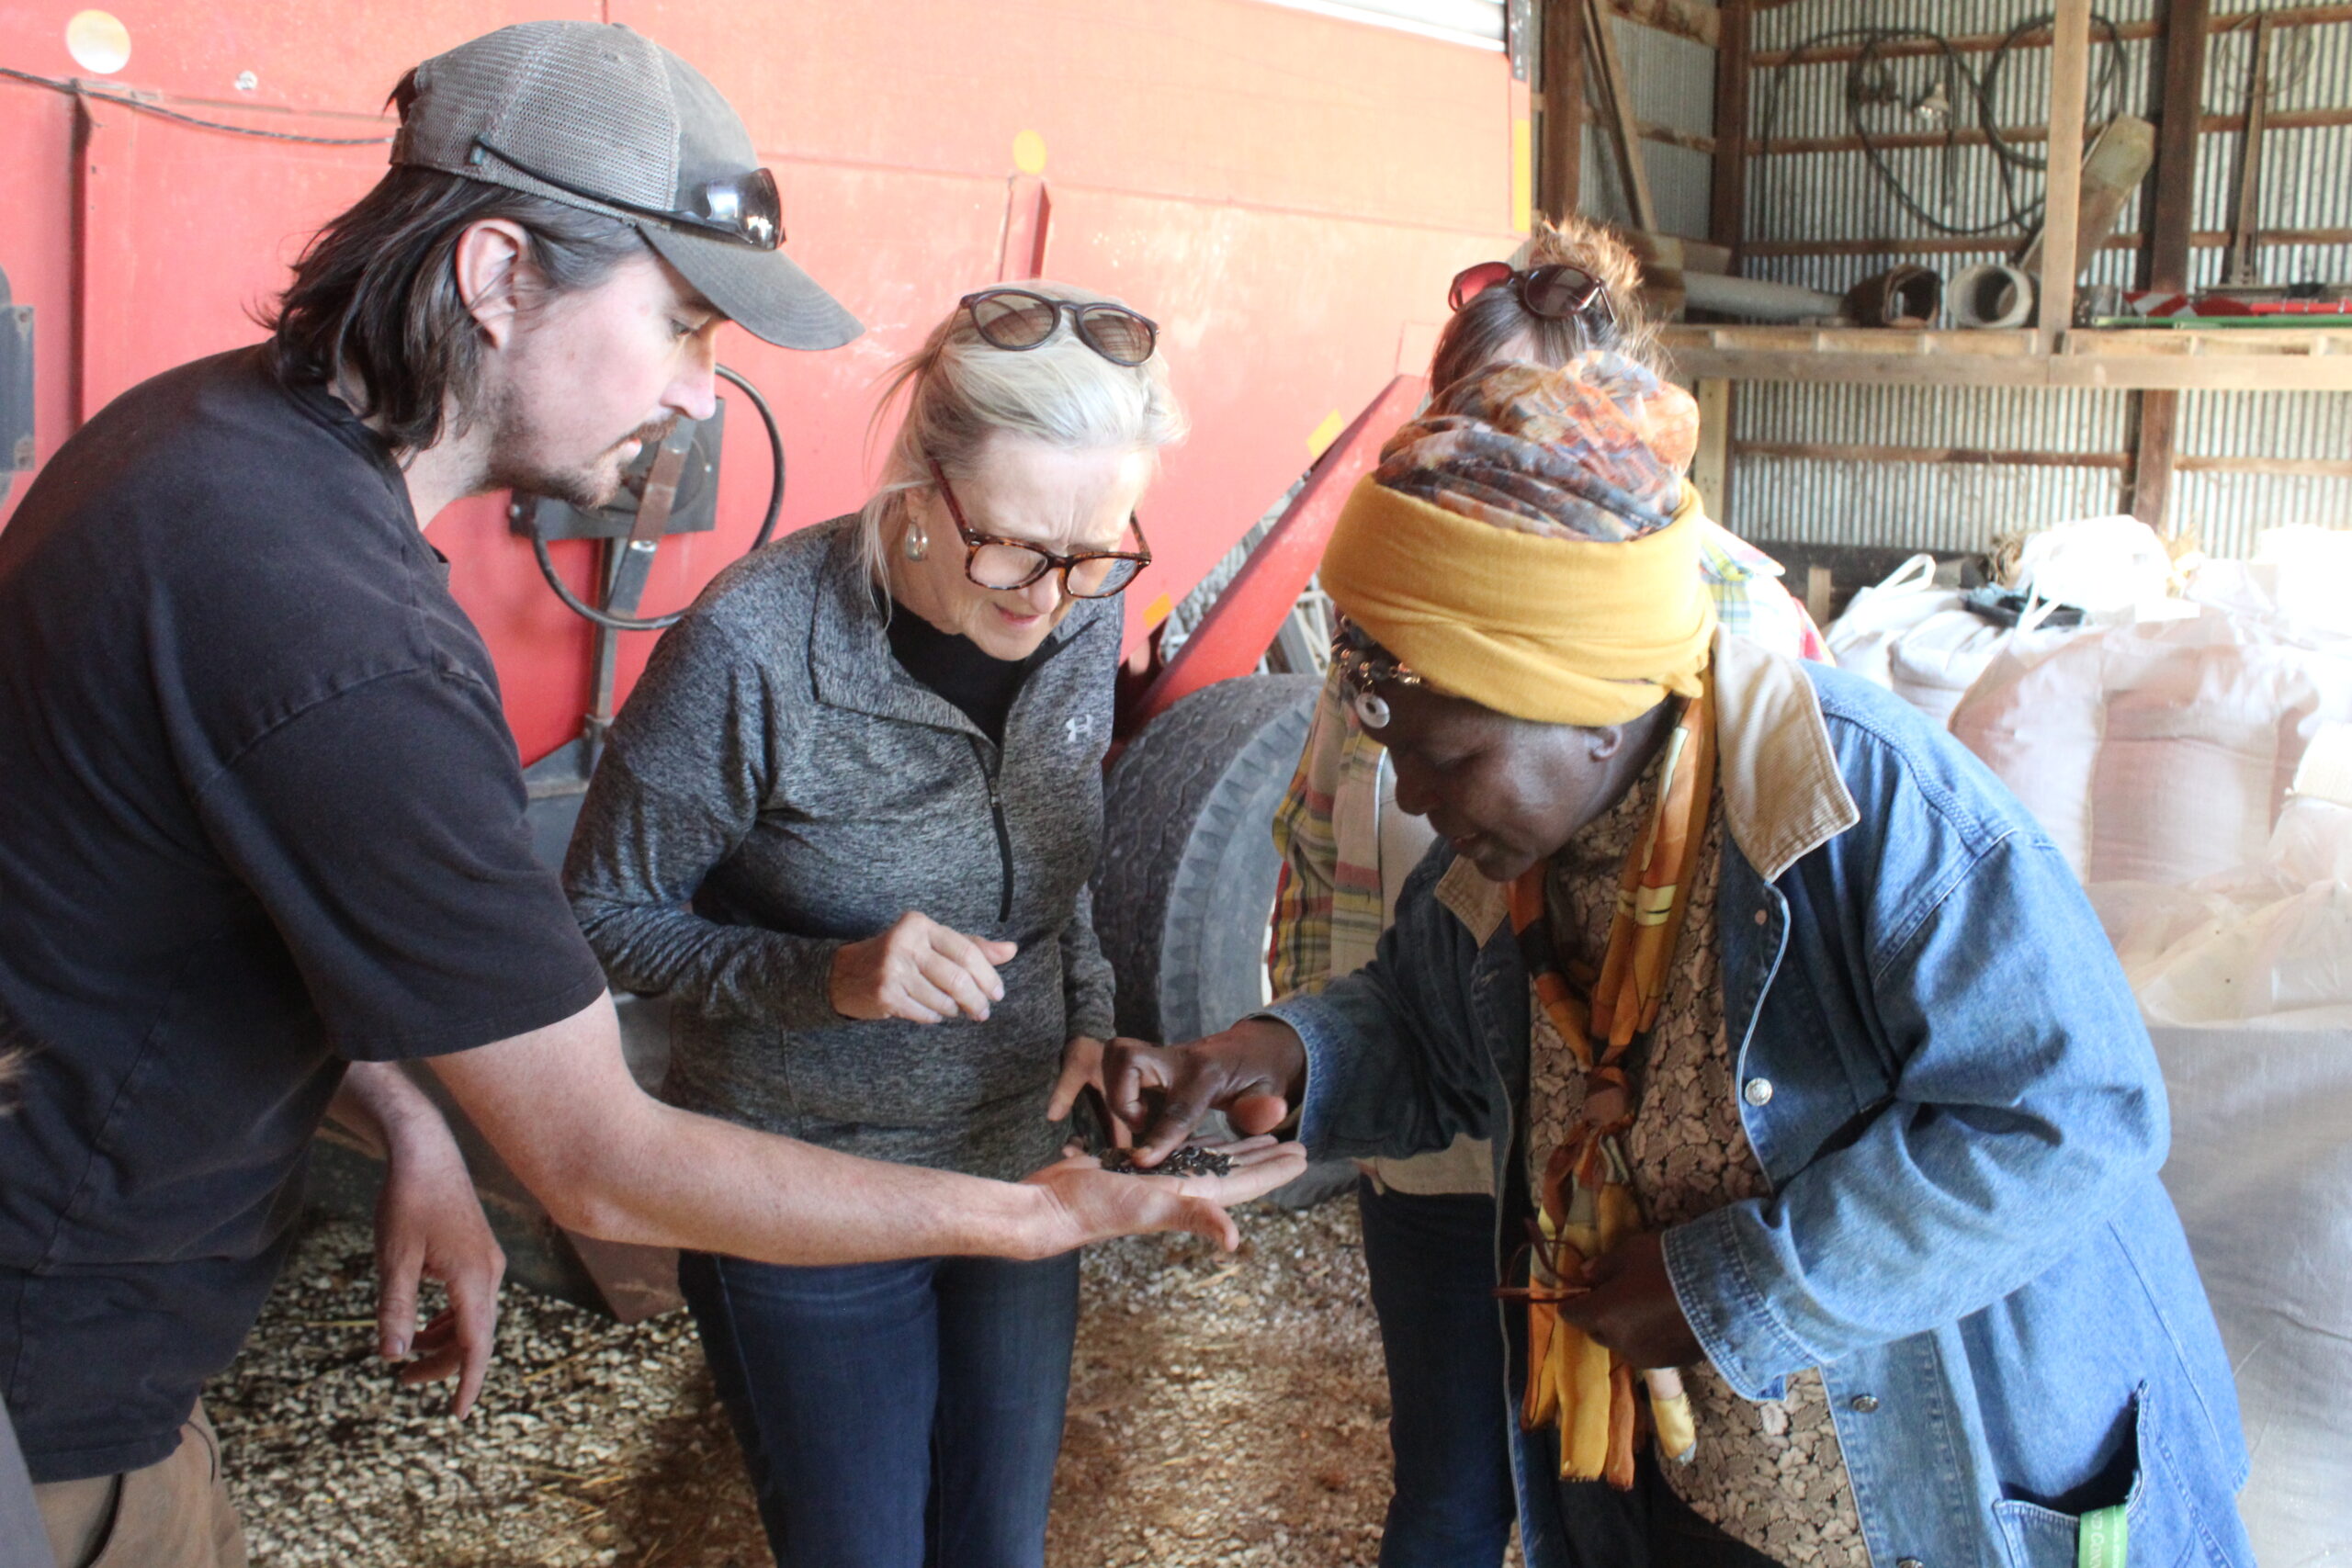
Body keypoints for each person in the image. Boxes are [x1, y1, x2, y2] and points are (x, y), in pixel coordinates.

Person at [0, 24, 1299, 1568]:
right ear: (495, 276)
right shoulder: (339, 630)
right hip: (53, 1375)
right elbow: (597, 1153)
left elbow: (173, 929)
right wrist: (1032, 1216)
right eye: (682, 325)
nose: (699, 396)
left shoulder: (207, 450)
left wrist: (408, 1120)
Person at [1105, 355, 2253, 1568]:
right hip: (1695, 1494)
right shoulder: (1524, 852)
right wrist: (1267, 1053)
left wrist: (1731, 1289)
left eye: (1447, 753)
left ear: (1591, 702)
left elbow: (2072, 1121)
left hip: (1931, 1496)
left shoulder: (1866, 809)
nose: (1416, 794)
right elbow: (1422, 1018)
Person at [561, 281, 1180, 1568]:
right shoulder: (755, 646)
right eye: (1012, 547)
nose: (1049, 598)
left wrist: (1090, 1016)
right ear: (917, 485)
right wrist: (827, 977)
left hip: (1014, 1153)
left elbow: (1065, 856)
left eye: (1096, 551)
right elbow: (602, 914)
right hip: (804, 1180)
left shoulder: (1075, 605)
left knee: (997, 1546)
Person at [1268, 217, 1824, 1568]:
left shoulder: (1741, 631)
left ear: (1619, 429)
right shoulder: (1404, 621)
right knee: (1455, 1484)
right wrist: (1305, 1057)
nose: (1489, 465)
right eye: (1469, 423)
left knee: (1641, 1488)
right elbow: (1327, 858)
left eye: (1535, 427)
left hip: (1643, 1179)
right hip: (1446, 1160)